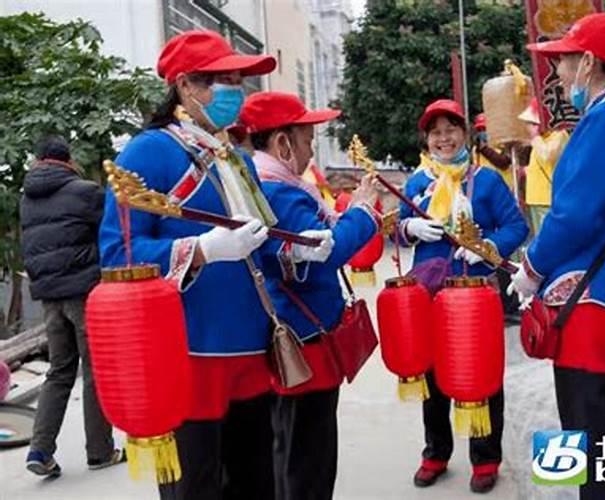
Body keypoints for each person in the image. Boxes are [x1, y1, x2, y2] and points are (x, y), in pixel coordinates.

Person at [98, 30, 300, 499]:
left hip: (250, 348)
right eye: (224, 80)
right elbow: (118, 254)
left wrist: (297, 247)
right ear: (186, 85)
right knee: (196, 487)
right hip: (189, 353)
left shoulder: (236, 158)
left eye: (238, 80)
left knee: (257, 482)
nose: (237, 91)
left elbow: (258, 241)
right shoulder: (149, 151)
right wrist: (202, 250)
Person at [516, 13, 605, 499]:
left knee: (589, 422)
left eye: (563, 61)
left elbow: (576, 215)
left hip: (592, 298)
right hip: (593, 293)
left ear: (590, 63)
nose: (557, 74)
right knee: (586, 417)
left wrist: (532, 267)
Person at [239, 91, 380, 500]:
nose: (310, 150)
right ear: (282, 143)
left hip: (294, 334)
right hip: (305, 339)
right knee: (307, 455)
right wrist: (364, 212)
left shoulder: (270, 185)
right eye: (306, 141)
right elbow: (327, 251)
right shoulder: (280, 192)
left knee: (291, 447)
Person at [399, 98, 528, 494]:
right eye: (435, 132)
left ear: (465, 134)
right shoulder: (419, 182)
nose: (443, 139)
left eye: (450, 130)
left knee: (481, 371)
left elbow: (516, 227)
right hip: (430, 295)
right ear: (427, 139)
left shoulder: (486, 181)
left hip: (475, 296)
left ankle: (486, 457)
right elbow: (393, 232)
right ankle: (436, 452)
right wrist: (408, 228)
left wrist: (486, 247)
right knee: (433, 372)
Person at [20, 136, 124, 477]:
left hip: (50, 297)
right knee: (95, 371)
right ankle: (100, 451)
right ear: (68, 160)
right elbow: (112, 233)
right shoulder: (85, 192)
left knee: (59, 370)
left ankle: (39, 450)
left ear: (39, 161)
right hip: (84, 293)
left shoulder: (27, 199)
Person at [519, 98, 569, 236]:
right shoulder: (542, 138)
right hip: (535, 198)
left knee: (549, 237)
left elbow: (547, 156)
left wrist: (535, 137)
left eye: (532, 123)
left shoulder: (559, 135)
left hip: (547, 198)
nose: (529, 127)